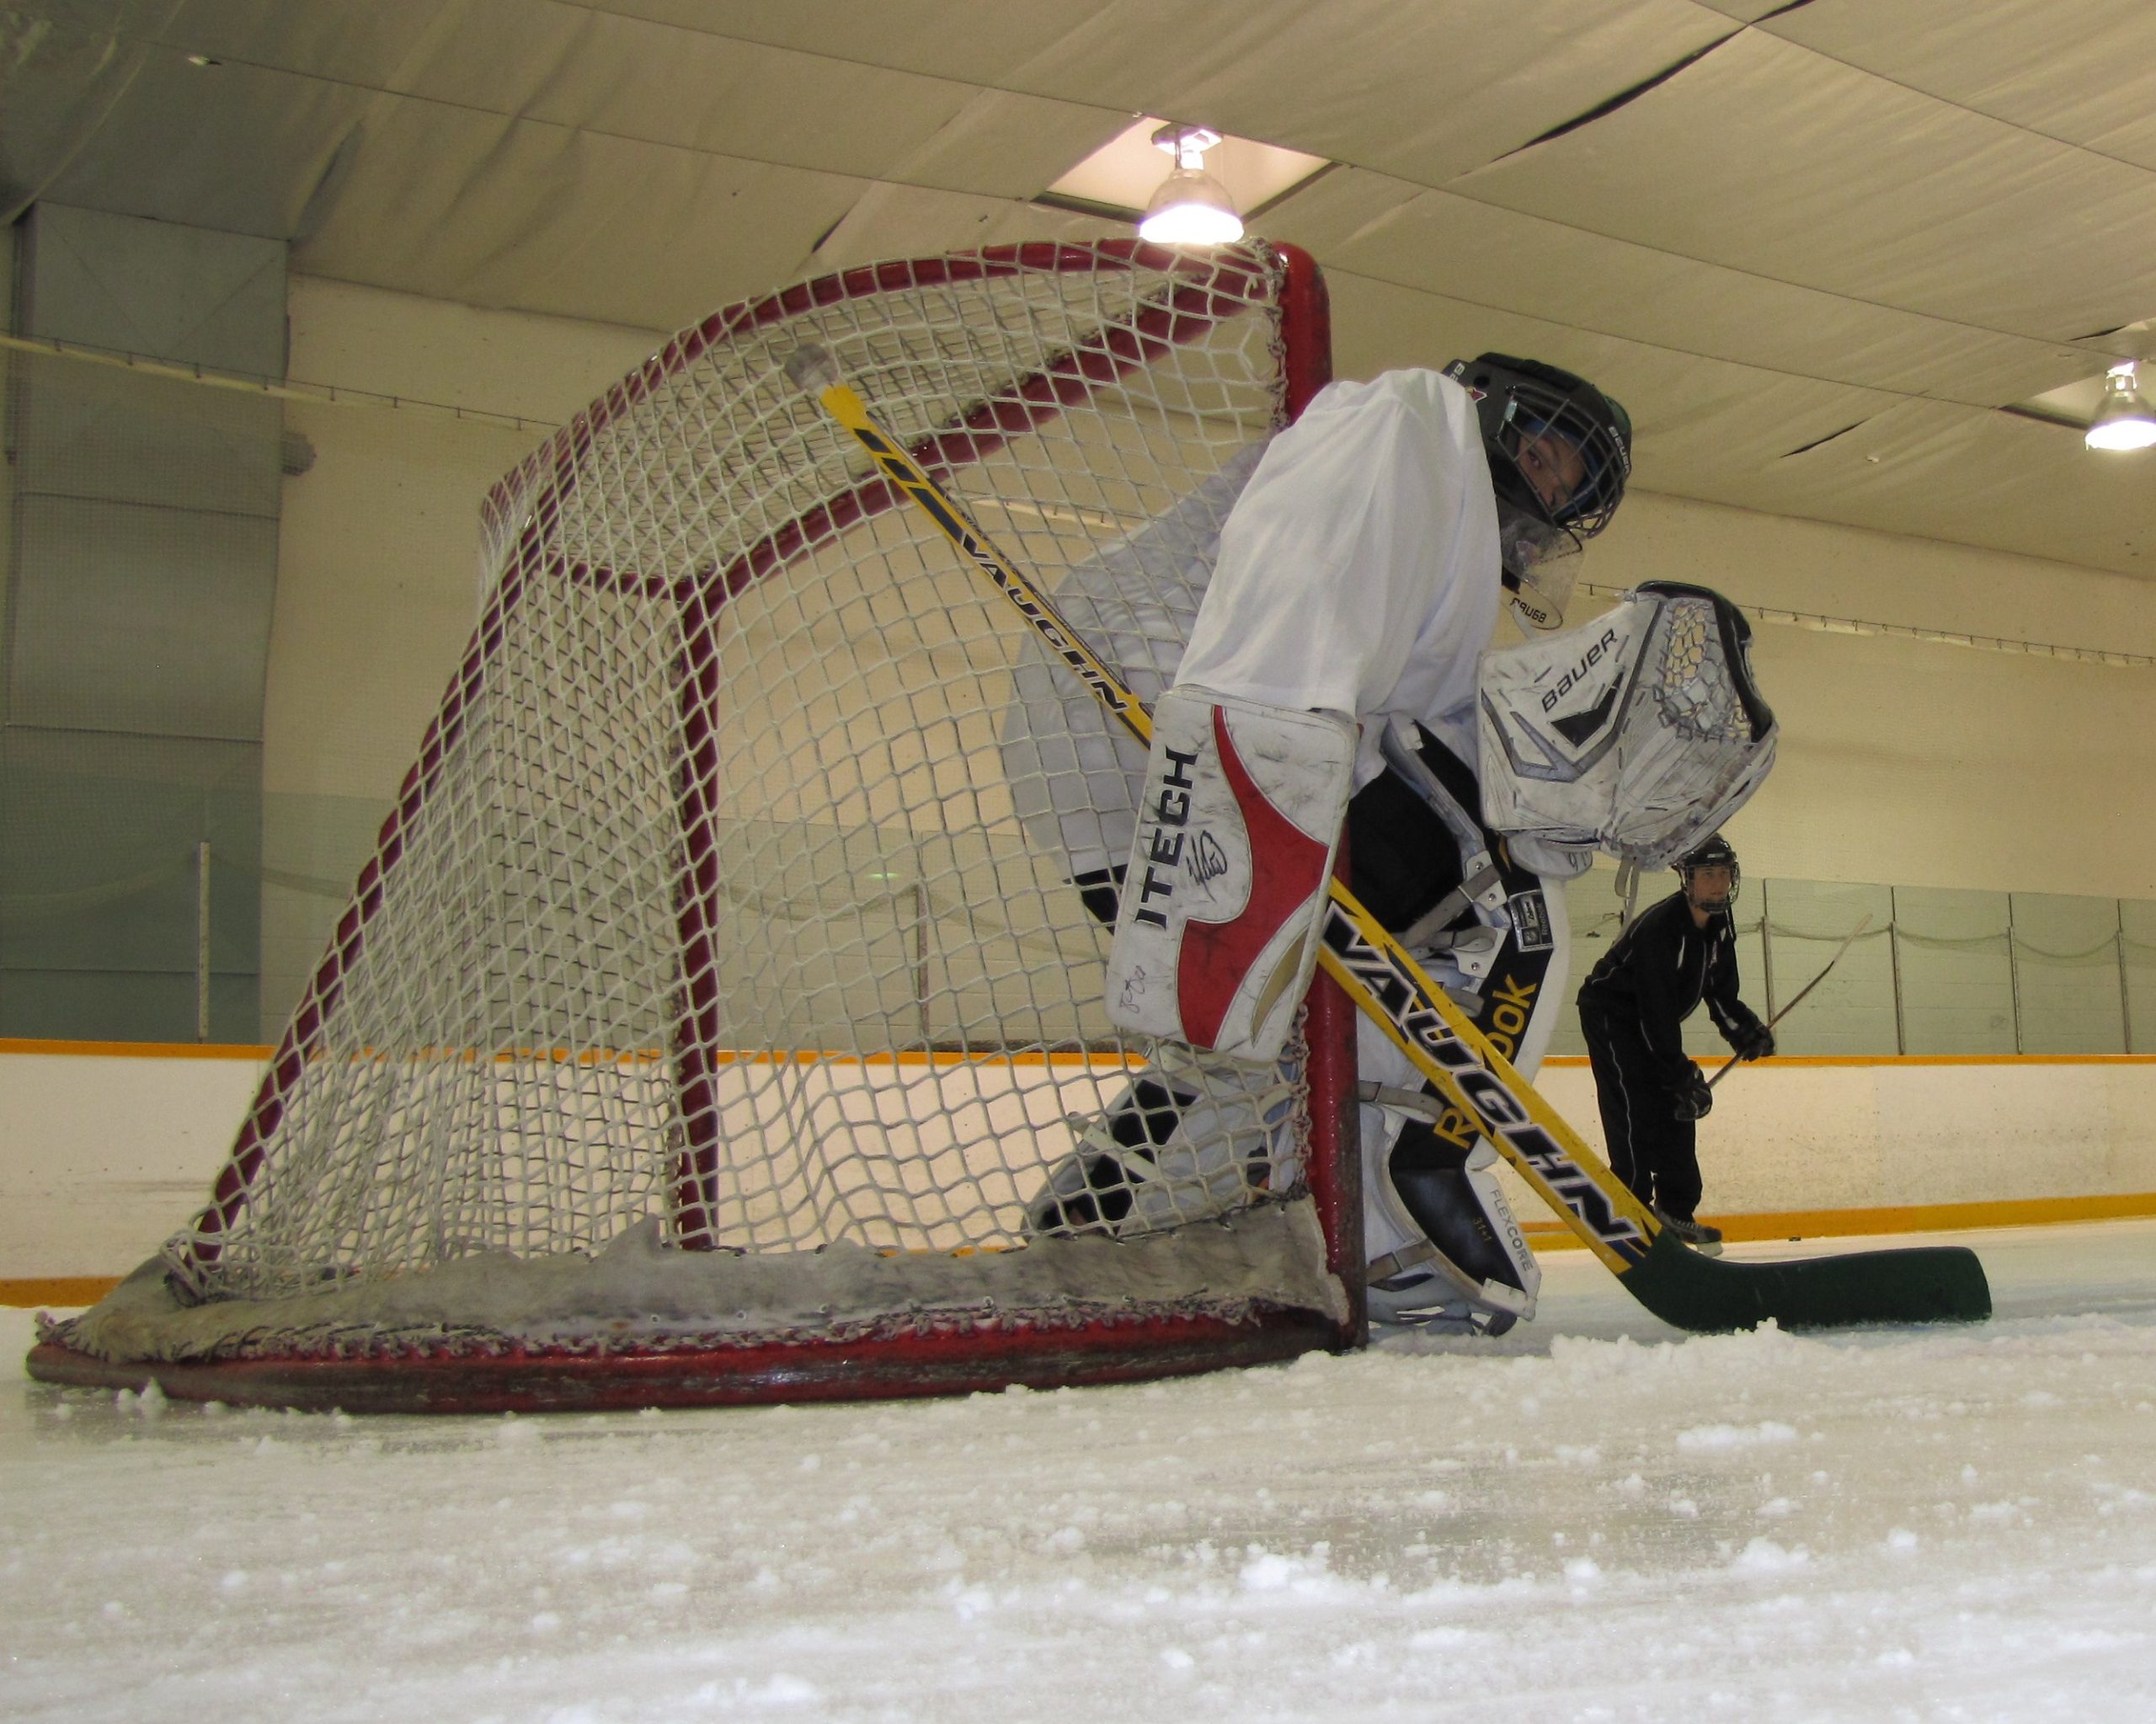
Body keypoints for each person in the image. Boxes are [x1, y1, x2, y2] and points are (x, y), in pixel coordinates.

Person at [1001, 351, 1635, 1330]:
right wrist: (1261, 785)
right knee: (1509, 892)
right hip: (1191, 727)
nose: (1551, 487)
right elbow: (1302, 587)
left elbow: (1425, 713)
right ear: (1498, 412)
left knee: (1272, 1043)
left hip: (1141, 759)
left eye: (1570, 488)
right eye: (1551, 455)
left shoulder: (1445, 520)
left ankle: (1095, 1223)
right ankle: (1415, 1185)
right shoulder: (1417, 419)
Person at [1575, 834, 1774, 1255]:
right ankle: (1631, 1207)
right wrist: (1677, 1072)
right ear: (1687, 879)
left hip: (1654, 1020)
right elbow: (1654, 1012)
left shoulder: (1720, 925)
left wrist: (1745, 1030)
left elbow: (1721, 992)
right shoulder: (1661, 929)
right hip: (1613, 1014)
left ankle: (1676, 1209)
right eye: (1707, 874)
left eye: (1723, 873)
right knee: (1634, 1099)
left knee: (1681, 1102)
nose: (1717, 883)